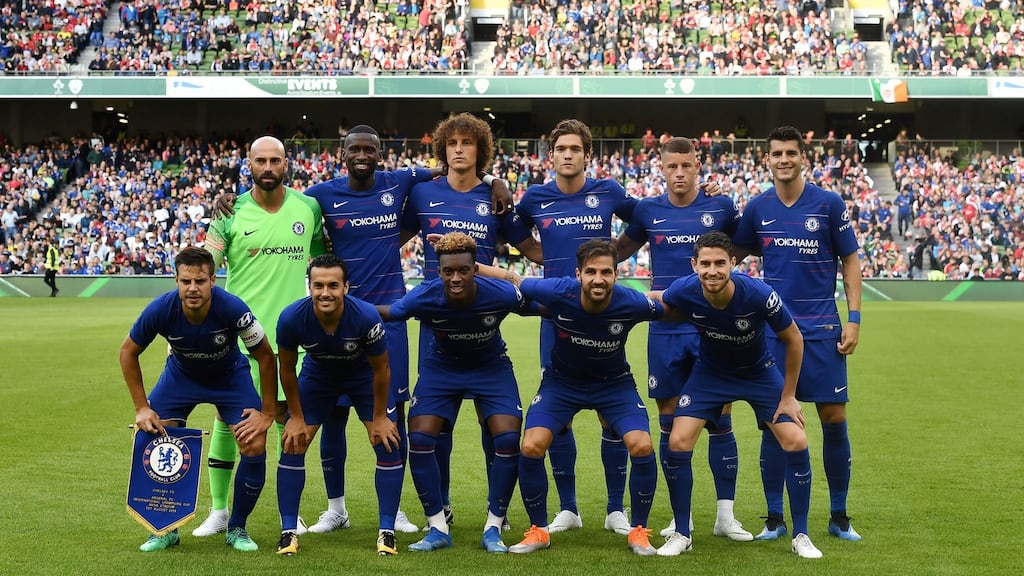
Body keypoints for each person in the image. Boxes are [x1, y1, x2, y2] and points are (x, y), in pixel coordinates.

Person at [213, 124, 511, 535]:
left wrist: (496, 180)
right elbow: (276, 197)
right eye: (355, 149)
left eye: (370, 149)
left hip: (387, 320)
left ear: (379, 153)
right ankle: (336, 509)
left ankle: (397, 511)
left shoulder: (401, 181)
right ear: (343, 152)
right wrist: (228, 199)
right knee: (333, 420)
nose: (363, 155)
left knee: (392, 417)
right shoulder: (320, 196)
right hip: (333, 318)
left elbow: (451, 168)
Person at [401, 113, 542, 528]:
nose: (459, 148)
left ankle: (495, 511)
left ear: (481, 150)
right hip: (437, 324)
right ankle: (439, 507)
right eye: (452, 143)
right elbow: (389, 237)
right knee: (434, 429)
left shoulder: (494, 197)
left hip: (483, 321)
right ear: (443, 149)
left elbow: (532, 249)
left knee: (494, 427)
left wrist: (585, 261)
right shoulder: (424, 194)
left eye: (468, 142)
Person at [482, 239, 664, 556]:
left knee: (642, 445)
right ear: (578, 274)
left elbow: (669, 304)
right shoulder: (557, 291)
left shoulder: (631, 302)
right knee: (531, 445)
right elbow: (514, 280)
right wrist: (473, 264)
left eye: (606, 272)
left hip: (614, 384)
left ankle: (638, 531)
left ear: (616, 274)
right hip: (562, 383)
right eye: (591, 272)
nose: (598, 279)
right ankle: (538, 530)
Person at [650, 231, 821, 558]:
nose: (712, 270)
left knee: (796, 441)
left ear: (733, 263)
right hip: (710, 375)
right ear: (694, 265)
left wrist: (788, 397)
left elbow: (795, 339)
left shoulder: (758, 294)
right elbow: (661, 298)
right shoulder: (685, 288)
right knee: (678, 441)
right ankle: (682, 533)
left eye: (719, 263)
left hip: (758, 373)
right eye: (705, 264)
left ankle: (801, 534)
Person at [612, 137, 750, 541]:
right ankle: (680, 516)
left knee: (720, 417)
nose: (679, 173)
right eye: (672, 167)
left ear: (698, 166)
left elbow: (744, 246)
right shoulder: (647, 210)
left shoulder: (721, 207)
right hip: (666, 327)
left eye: (686, 166)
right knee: (671, 421)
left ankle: (726, 516)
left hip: (713, 327)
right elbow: (615, 251)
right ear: (661, 168)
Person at [732, 125, 862, 542]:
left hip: (823, 328)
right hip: (772, 331)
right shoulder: (757, 208)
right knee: (775, 420)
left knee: (834, 418)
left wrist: (854, 318)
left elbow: (851, 260)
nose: (784, 159)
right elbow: (730, 253)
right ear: (766, 159)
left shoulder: (828, 203)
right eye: (776, 153)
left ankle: (839, 515)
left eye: (791, 152)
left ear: (803, 157)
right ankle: (774, 518)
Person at [192, 135, 327, 538]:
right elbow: (207, 263)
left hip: (292, 340)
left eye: (275, 160)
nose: (268, 167)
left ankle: (291, 511)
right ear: (247, 164)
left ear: (287, 164)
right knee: (226, 421)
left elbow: (321, 259)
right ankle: (218, 510)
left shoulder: (309, 208)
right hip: (240, 339)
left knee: (289, 423)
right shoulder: (229, 212)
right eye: (260, 161)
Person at [512, 119, 640, 535]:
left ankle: (616, 509)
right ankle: (568, 508)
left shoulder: (609, 192)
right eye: (560, 148)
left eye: (575, 148)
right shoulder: (535, 197)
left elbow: (644, 223)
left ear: (588, 154)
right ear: (551, 156)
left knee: (610, 414)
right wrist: (543, 258)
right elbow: (515, 234)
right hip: (557, 317)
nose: (568, 154)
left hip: (603, 317)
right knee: (558, 416)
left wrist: (612, 255)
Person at [378, 232, 535, 553]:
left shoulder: (501, 294)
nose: (456, 278)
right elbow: (391, 313)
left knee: (506, 439)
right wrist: (344, 306)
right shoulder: (426, 295)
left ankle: (494, 526)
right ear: (438, 271)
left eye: (463, 270)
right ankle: (437, 526)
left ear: (475, 269)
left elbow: (540, 306)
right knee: (420, 439)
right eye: (448, 271)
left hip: (491, 366)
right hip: (442, 368)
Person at [120, 246, 277, 552]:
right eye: (186, 281)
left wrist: (267, 413)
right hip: (181, 377)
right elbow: (128, 352)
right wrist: (142, 408)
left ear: (212, 280)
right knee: (154, 435)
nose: (193, 288)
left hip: (229, 377)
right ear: (176, 280)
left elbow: (266, 357)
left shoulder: (233, 309)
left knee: (254, 442)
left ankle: (238, 528)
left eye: (200, 281)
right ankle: (164, 529)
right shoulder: (161, 309)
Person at [274, 254, 403, 556]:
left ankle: (386, 531)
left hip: (362, 377)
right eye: (318, 285)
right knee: (293, 442)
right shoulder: (291, 317)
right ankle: (288, 532)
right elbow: (286, 369)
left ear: (346, 287)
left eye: (333, 285)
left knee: (387, 442)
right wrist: (294, 415)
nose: (325, 293)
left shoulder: (366, 316)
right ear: (309, 286)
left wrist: (381, 416)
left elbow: (382, 369)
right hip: (319, 376)